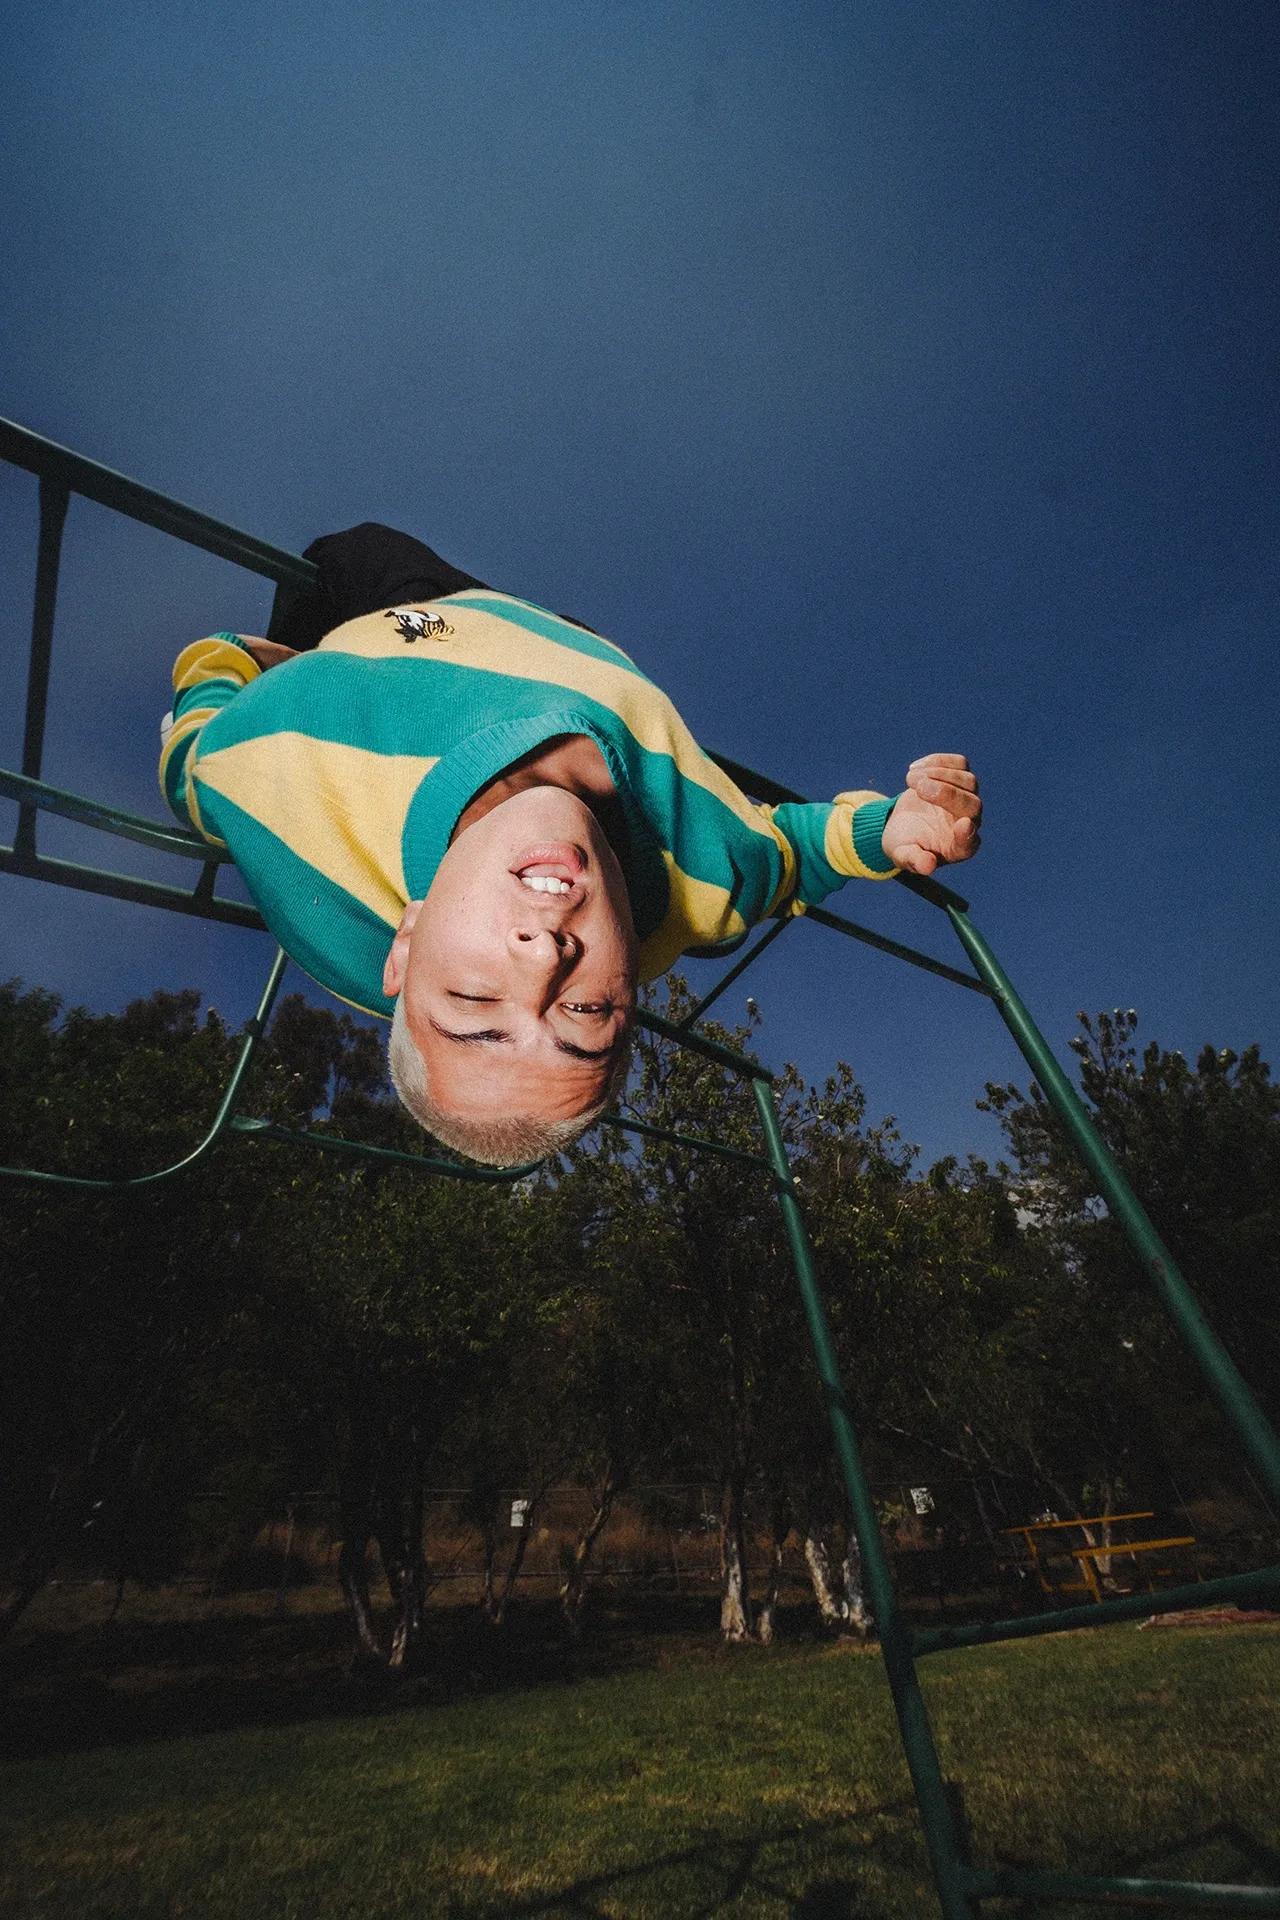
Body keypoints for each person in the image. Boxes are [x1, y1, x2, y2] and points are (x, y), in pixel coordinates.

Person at [159, 524, 981, 1165]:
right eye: (585, 1011)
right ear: (633, 984)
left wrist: (234, 660)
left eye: (477, 1001)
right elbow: (796, 854)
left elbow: (191, 765)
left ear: (406, 944)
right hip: (558, 643)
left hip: (416, 627)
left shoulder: (285, 773)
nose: (544, 955)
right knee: (570, 632)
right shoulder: (710, 880)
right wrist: (885, 832)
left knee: (351, 556)